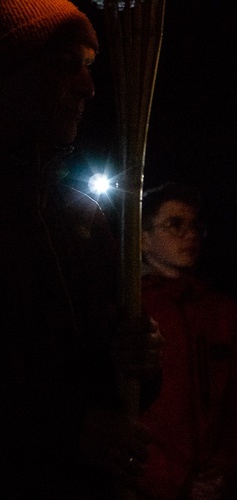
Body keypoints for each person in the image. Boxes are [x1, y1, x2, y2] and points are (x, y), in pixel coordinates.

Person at [0, 0, 164, 497]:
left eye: (90, 67)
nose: (89, 88)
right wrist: (66, 434)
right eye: (68, 63)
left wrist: (138, 356)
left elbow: (112, 373)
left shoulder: (78, 213)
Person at [136, 182, 237, 499]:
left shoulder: (225, 313)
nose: (190, 234)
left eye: (196, 225)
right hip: (150, 488)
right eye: (175, 224)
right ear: (142, 239)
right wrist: (166, 481)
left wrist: (225, 470)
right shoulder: (131, 309)